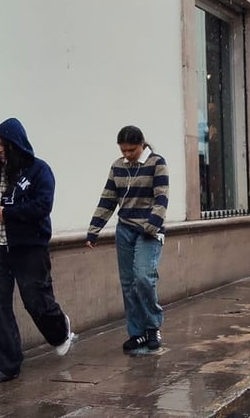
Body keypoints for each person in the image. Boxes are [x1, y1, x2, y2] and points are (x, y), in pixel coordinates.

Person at [0, 118, 75, 386]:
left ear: (15, 144)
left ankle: (59, 331)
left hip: (29, 248)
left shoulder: (39, 171)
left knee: (36, 300)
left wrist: (9, 213)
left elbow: (43, 205)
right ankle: (5, 366)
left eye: (2, 145)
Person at [86, 126, 169, 353]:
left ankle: (153, 326)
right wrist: (94, 230)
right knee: (128, 283)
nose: (128, 155)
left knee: (143, 277)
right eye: (124, 151)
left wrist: (152, 224)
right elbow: (108, 199)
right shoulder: (118, 167)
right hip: (125, 230)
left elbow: (162, 197)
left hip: (149, 231)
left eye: (131, 150)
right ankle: (137, 333)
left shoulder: (156, 163)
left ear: (142, 144)